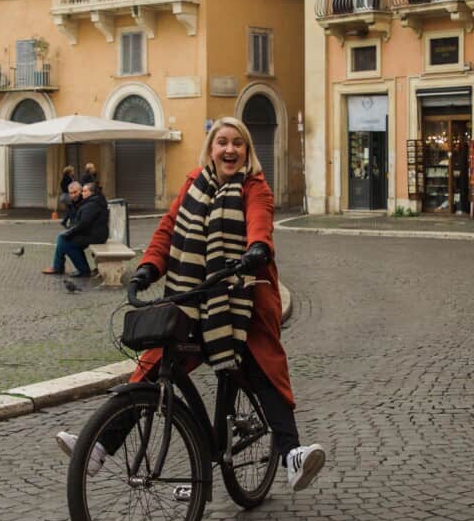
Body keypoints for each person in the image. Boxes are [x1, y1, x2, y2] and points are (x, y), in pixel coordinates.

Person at [56, 117, 326, 491]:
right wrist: (147, 269)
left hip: (241, 297)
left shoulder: (255, 188)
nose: (229, 149)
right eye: (222, 142)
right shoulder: (193, 185)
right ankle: (99, 446)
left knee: (260, 364)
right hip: (195, 296)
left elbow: (259, 224)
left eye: (238, 143)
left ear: (247, 151)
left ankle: (292, 455)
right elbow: (167, 230)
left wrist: (257, 248)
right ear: (211, 149)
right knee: (154, 364)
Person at [43, 181, 107, 276]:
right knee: (63, 238)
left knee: (65, 241)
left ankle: (81, 270)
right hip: (90, 232)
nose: (74, 195)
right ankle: (60, 267)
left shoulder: (90, 203)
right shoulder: (84, 202)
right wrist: (70, 230)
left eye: (81, 191)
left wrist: (70, 232)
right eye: (71, 193)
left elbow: (83, 223)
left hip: (93, 234)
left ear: (90, 192)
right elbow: (76, 220)